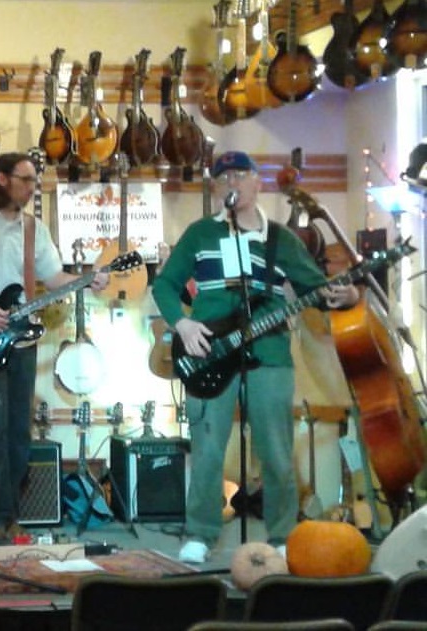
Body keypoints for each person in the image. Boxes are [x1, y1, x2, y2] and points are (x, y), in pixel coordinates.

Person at [152, 151, 359, 564]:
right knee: (208, 446)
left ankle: (283, 536)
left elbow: (317, 291)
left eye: (241, 174)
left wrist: (347, 296)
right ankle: (201, 531)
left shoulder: (282, 239)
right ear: (215, 188)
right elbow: (164, 286)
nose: (232, 182)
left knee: (277, 449)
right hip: (210, 352)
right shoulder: (199, 234)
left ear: (256, 183)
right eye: (223, 177)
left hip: (270, 354)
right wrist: (183, 324)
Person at [0, 152, 108, 544]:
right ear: (2, 179)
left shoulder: (36, 229)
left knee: (18, 431)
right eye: (26, 180)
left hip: (24, 339)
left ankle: (9, 514)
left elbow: (53, 276)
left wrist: (87, 280)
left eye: (35, 181)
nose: (33, 188)